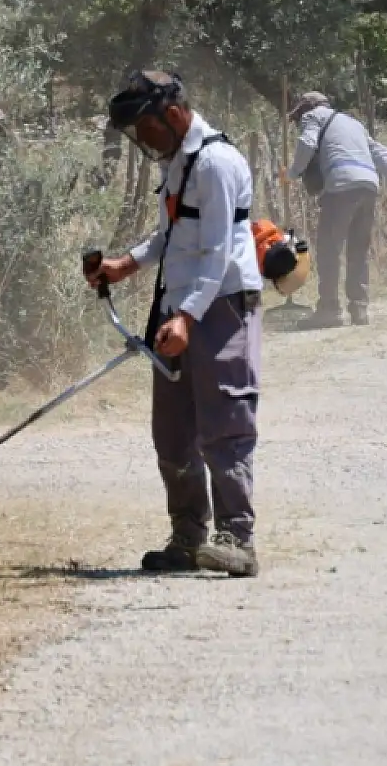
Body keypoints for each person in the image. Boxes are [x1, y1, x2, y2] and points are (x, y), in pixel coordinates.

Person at [85, 71, 262, 578]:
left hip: (221, 306)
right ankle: (187, 537)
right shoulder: (179, 163)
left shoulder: (217, 163)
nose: (143, 142)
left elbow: (219, 253)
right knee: (173, 433)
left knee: (224, 426)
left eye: (146, 129)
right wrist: (127, 263)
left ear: (176, 115)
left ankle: (236, 539)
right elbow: (169, 236)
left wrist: (187, 316)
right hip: (180, 308)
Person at [287, 92, 387, 329]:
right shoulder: (353, 123)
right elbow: (383, 154)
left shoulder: (313, 116)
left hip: (340, 185)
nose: (299, 121)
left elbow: (306, 142)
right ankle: (359, 309)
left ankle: (329, 310)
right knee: (358, 250)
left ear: (308, 108)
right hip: (368, 186)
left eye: (299, 116)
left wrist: (292, 173)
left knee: (328, 249)